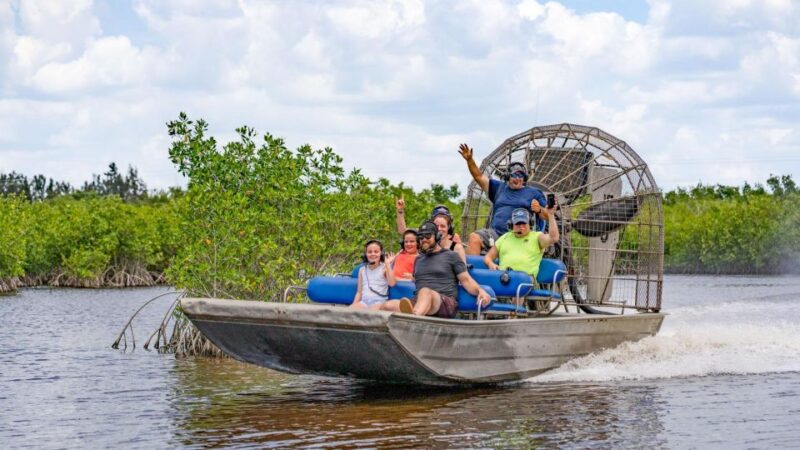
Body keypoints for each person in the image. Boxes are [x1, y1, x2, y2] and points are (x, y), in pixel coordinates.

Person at [382, 221, 490, 318]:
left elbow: (466, 280)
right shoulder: (418, 259)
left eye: (428, 236)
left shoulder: (451, 256)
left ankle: (412, 320)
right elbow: (414, 280)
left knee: (425, 291)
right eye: (421, 236)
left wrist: (480, 290)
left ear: (437, 236)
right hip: (421, 301)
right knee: (388, 306)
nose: (424, 239)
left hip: (445, 303)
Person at [458, 143, 547, 255]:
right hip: (497, 235)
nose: (518, 179)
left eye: (521, 176)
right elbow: (478, 176)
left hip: (519, 237)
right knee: (474, 238)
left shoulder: (533, 193)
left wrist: (539, 210)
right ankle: (471, 271)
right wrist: (469, 160)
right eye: (514, 176)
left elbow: (548, 215)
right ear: (507, 177)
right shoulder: (499, 188)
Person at [483, 204, 560, 279]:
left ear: (530, 224)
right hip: (503, 279)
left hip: (525, 282)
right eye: (518, 224)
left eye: (524, 223)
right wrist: (490, 263)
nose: (521, 227)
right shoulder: (505, 237)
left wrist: (551, 215)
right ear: (511, 225)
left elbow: (553, 238)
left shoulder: (537, 237)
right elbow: (488, 257)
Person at [396, 199, 466, 263]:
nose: (439, 229)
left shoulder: (456, 244)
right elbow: (403, 231)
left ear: (449, 227)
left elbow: (462, 270)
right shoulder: (425, 235)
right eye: (436, 225)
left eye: (443, 226)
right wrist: (400, 211)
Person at [351, 240, 397, 310]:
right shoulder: (362, 270)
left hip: (379, 302)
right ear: (365, 254)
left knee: (371, 314)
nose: (373, 254)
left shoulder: (384, 268)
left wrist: (387, 264)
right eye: (369, 252)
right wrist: (353, 305)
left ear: (381, 254)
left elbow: (392, 283)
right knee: (348, 312)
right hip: (364, 302)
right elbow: (359, 292)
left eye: (376, 252)